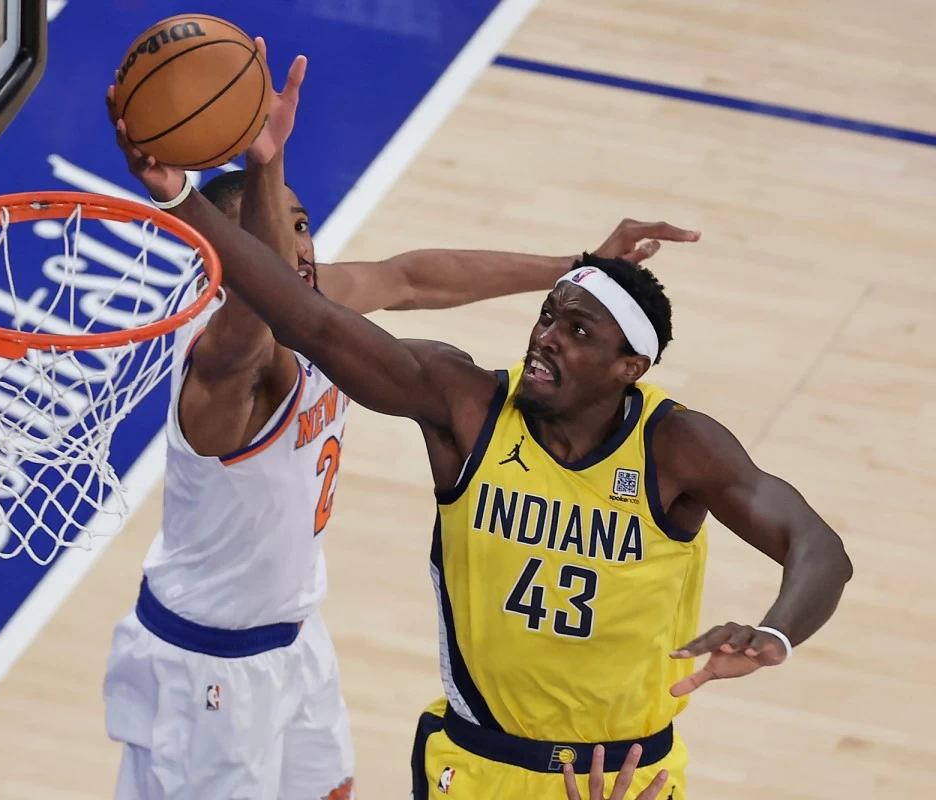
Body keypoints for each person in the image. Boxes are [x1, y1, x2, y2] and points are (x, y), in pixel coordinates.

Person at [109, 43, 854, 800]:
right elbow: (297, 318)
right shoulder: (267, 360)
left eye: (578, 329)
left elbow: (406, 278)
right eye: (548, 319)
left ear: (630, 368)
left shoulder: (677, 445)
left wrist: (777, 633)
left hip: (574, 755)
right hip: (242, 676)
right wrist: (192, 196)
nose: (545, 335)